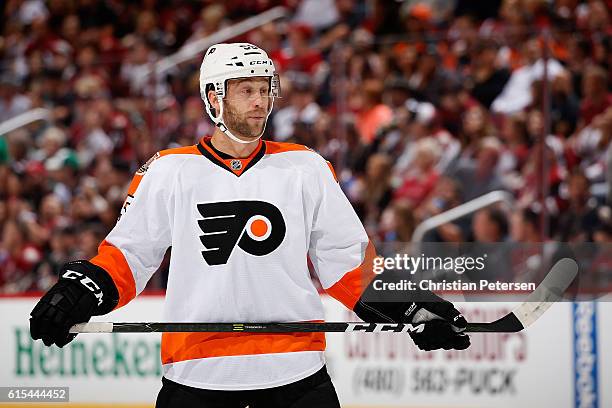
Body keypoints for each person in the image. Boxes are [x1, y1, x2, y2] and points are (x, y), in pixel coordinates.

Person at [29, 43, 470, 408]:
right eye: (245, 90)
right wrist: (79, 290)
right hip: (198, 378)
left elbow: (349, 267)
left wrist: (412, 308)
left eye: (265, 89)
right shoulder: (168, 171)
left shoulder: (306, 167)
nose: (260, 101)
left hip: (296, 376)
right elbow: (128, 258)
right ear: (213, 98)